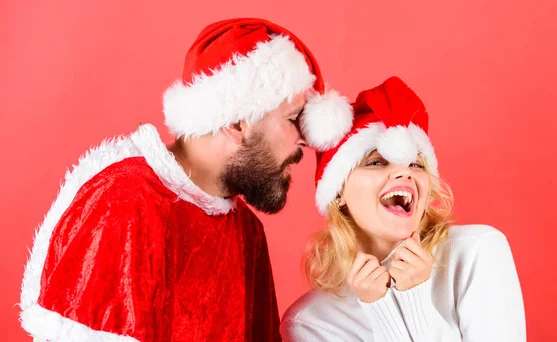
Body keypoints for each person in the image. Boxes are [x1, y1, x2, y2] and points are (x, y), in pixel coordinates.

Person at [19, 18, 352, 342]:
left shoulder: (246, 232)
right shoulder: (123, 202)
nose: (304, 140)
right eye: (293, 119)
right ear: (237, 123)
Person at [281, 76, 526, 341]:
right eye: (375, 163)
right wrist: (379, 306)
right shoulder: (310, 322)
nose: (404, 174)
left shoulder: (477, 252)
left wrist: (414, 297)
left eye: (415, 164)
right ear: (338, 191)